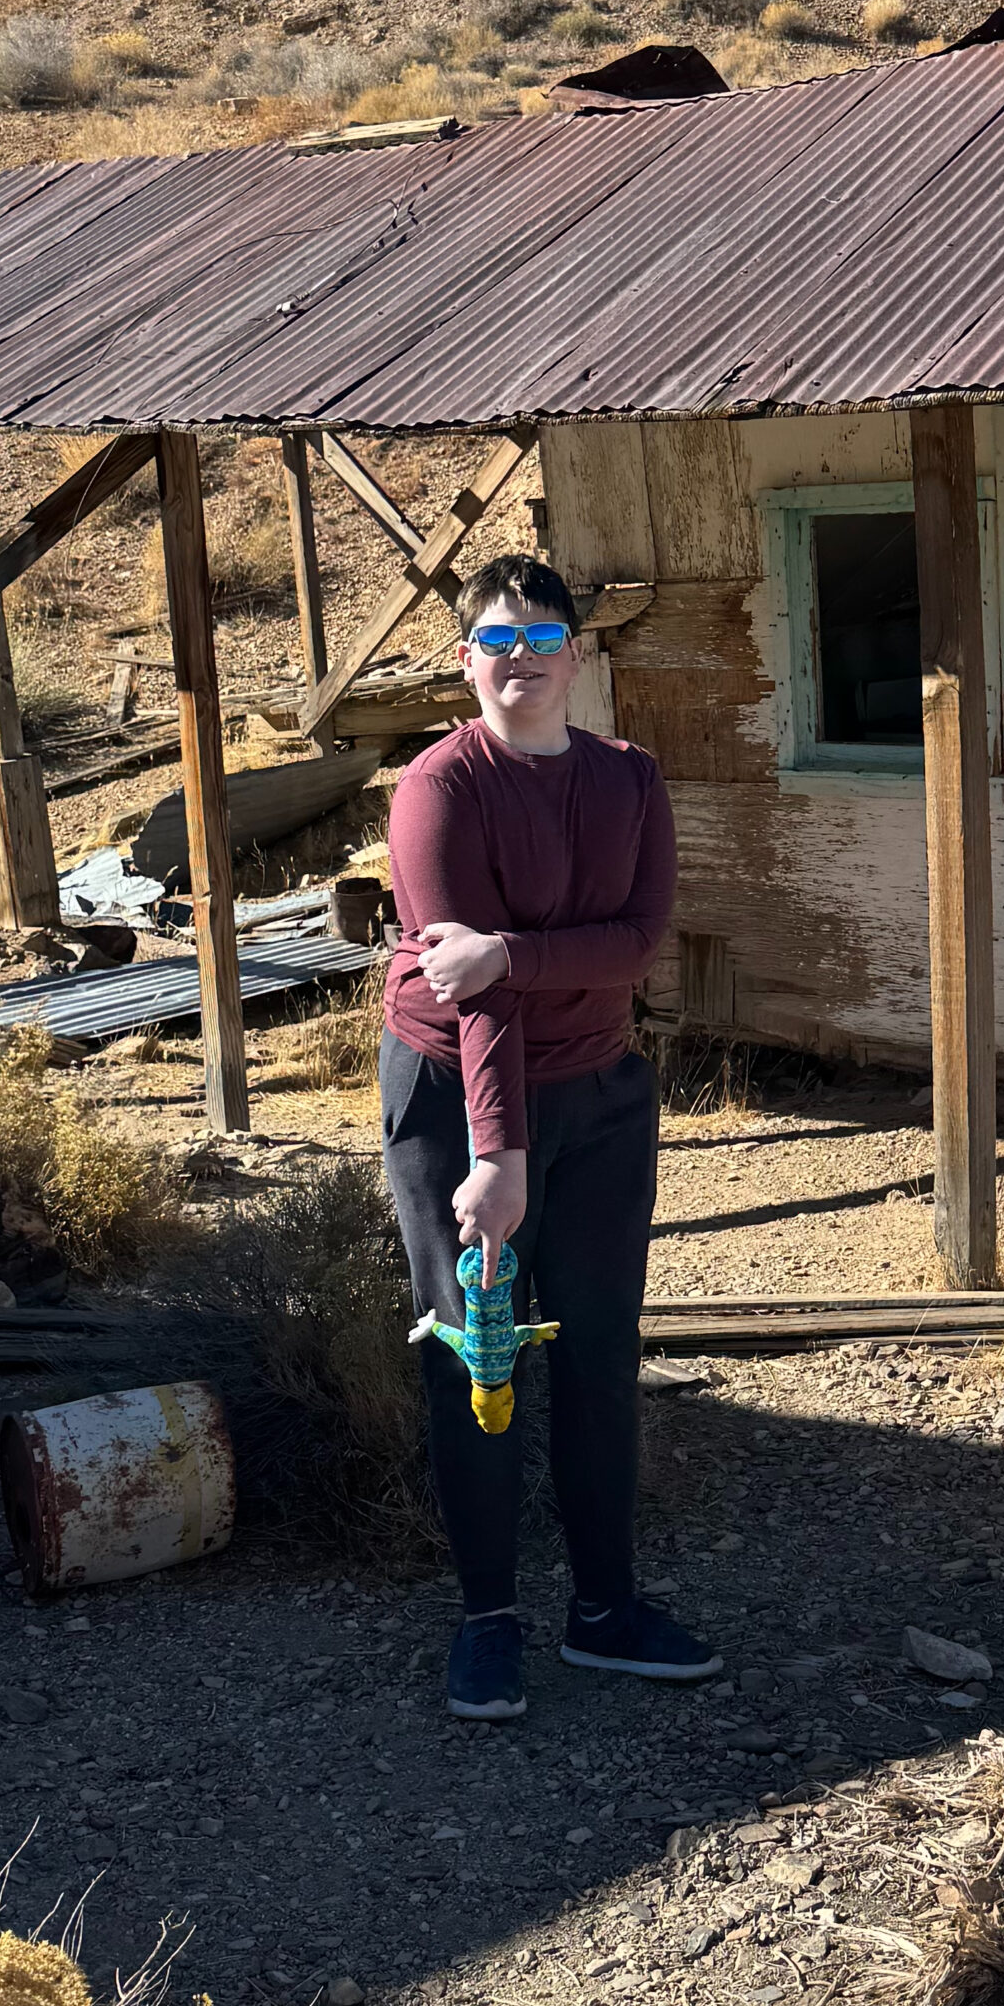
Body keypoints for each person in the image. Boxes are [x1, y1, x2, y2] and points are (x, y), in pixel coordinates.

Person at [377, 552, 719, 1722]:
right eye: (495, 643)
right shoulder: (439, 789)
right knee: (478, 1350)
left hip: (600, 1090)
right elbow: (463, 992)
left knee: (599, 1349)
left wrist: (518, 952)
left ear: (578, 652)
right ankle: (487, 1619)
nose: (518, 663)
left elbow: (634, 942)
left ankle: (604, 1611)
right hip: (454, 1099)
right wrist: (495, 1156)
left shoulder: (629, 778)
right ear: (466, 659)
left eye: (540, 640)